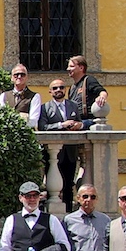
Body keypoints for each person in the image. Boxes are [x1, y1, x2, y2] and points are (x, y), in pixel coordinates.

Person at [35, 79, 84, 211]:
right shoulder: (44, 108)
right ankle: (53, 211)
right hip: (53, 152)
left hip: (70, 151)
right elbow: (43, 127)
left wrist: (77, 125)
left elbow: (79, 122)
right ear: (50, 91)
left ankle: (68, 210)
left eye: (61, 87)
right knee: (53, 185)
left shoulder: (73, 106)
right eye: (55, 88)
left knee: (69, 184)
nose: (58, 90)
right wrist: (61, 125)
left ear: (65, 89)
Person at [63, 185, 109, 251]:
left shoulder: (105, 220)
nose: (89, 200)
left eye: (93, 197)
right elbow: (63, 249)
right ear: (78, 198)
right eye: (85, 196)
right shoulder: (68, 220)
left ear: (97, 199)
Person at [66, 54, 108, 127]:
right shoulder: (72, 88)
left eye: (71, 66)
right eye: (68, 66)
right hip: (77, 121)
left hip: (90, 121)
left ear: (81, 68)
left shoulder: (88, 80)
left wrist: (102, 97)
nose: (68, 69)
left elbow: (102, 91)